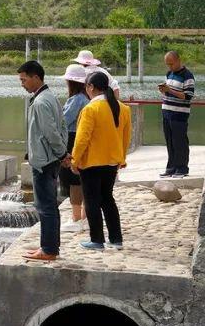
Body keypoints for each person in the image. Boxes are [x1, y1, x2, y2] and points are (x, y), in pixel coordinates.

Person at [71, 71, 130, 250]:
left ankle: (97, 240)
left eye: (86, 87)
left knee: (92, 201)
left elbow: (82, 139)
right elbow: (126, 137)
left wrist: (75, 160)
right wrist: (122, 158)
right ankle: (116, 239)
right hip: (112, 162)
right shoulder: (123, 108)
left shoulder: (90, 109)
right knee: (107, 200)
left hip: (92, 163)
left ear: (90, 87)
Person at [17, 60, 68, 262]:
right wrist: (62, 153)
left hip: (45, 162)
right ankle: (49, 247)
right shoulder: (50, 98)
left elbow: (51, 133)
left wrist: (62, 154)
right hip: (50, 159)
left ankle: (48, 250)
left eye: (24, 79)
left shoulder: (40, 102)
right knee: (49, 206)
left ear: (36, 77)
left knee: (45, 207)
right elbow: (62, 128)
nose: (22, 84)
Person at [59, 64, 91, 232]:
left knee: (74, 180)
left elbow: (64, 120)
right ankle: (84, 218)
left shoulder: (77, 99)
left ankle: (76, 218)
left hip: (72, 139)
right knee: (81, 180)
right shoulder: (85, 97)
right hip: (80, 139)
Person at [159, 51, 195, 178]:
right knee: (170, 142)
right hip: (167, 112)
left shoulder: (187, 76)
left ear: (178, 60)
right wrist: (164, 91)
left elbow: (187, 96)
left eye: (171, 64)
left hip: (179, 114)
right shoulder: (169, 74)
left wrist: (170, 90)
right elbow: (169, 93)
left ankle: (182, 168)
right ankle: (171, 167)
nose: (169, 67)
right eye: (167, 64)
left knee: (180, 142)